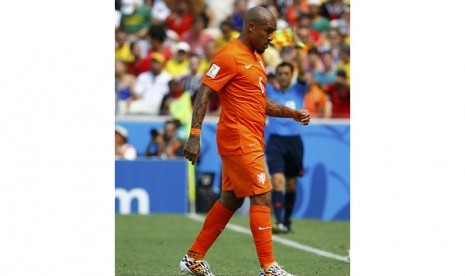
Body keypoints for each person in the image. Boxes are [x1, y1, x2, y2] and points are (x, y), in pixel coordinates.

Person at [179, 6, 310, 276]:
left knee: (231, 199)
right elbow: (204, 94)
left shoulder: (256, 59)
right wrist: (194, 135)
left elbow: (261, 103)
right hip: (238, 136)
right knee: (262, 193)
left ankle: (193, 257)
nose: (272, 37)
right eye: (268, 31)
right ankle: (269, 268)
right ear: (251, 27)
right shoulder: (228, 55)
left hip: (251, 136)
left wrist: (291, 113)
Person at [265, 38, 307, 234]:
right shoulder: (270, 91)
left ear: (291, 75)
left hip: (294, 143)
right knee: (278, 181)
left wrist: (297, 48)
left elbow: (304, 71)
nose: (282, 76)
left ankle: (287, 221)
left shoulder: (298, 90)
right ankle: (280, 221)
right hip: (275, 142)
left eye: (286, 73)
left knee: (291, 184)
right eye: (280, 73)